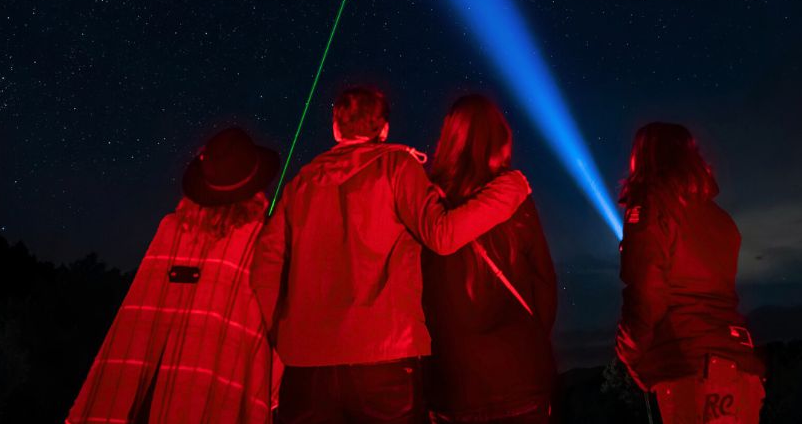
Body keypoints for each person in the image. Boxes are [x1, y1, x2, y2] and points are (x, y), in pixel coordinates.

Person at [251, 86, 533, 424]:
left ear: (336, 128)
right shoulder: (397, 167)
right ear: (383, 129)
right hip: (386, 361)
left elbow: (265, 267)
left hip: (306, 369)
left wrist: (278, 339)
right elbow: (442, 235)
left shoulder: (300, 184)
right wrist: (510, 189)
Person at [67, 127, 282, 424]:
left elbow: (133, 320)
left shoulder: (171, 228)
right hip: (217, 388)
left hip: (149, 392)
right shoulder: (259, 239)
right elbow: (271, 318)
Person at [615, 123, 765, 424]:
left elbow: (647, 288)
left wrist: (629, 348)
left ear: (643, 157)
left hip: (690, 369)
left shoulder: (651, 204)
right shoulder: (721, 220)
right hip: (742, 369)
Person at [421, 95, 557, 424]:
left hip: (451, 383)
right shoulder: (514, 198)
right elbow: (544, 281)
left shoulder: (425, 204)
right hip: (519, 376)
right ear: (500, 138)